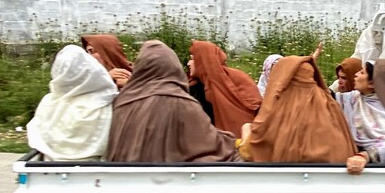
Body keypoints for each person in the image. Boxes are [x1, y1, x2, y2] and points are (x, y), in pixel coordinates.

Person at [104, 40, 240, 163]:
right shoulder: (181, 102)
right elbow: (208, 144)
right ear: (173, 66)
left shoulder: (122, 101)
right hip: (167, 180)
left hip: (125, 179)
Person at [237, 55, 357, 165]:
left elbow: (252, 151)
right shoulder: (331, 107)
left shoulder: (278, 115)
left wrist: (246, 129)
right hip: (333, 183)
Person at [26, 44, 118, 161]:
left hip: (51, 167)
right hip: (94, 169)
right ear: (92, 69)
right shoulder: (105, 102)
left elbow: (37, 134)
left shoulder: (49, 102)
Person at [187, 40, 262, 138]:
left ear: (203, 59)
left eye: (192, 59)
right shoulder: (193, 85)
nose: (188, 63)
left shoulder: (234, 78)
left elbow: (250, 107)